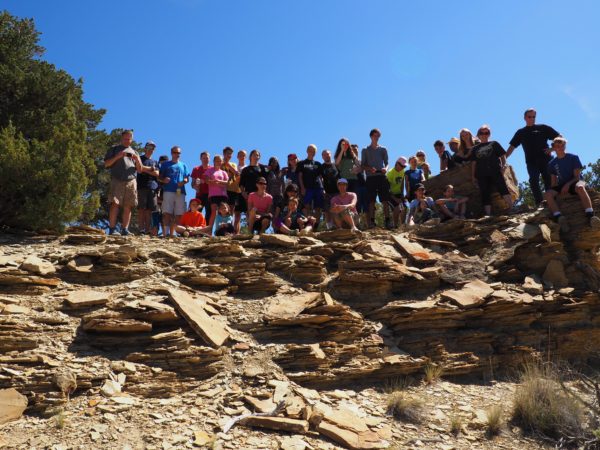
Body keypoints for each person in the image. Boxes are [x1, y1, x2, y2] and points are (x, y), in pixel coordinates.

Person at [507, 108, 561, 206]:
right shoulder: (521, 132)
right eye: (529, 117)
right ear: (524, 118)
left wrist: (552, 149)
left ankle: (552, 201)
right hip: (531, 161)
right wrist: (503, 159)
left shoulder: (543, 128)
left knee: (549, 179)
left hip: (546, 160)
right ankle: (539, 202)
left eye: (534, 117)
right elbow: (512, 147)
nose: (532, 118)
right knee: (533, 179)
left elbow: (560, 137)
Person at [545, 137, 600, 231]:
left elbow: (577, 177)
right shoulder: (552, 164)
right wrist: (553, 194)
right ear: (554, 147)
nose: (561, 148)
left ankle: (590, 215)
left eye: (563, 145)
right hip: (562, 184)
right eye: (558, 146)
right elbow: (553, 182)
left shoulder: (573, 157)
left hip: (576, 181)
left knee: (580, 187)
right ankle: (559, 217)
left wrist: (567, 185)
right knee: (548, 194)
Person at [103, 129, 143, 236]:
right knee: (115, 204)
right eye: (125, 138)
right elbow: (106, 164)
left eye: (129, 139)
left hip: (131, 180)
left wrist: (137, 160)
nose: (127, 141)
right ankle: (112, 229)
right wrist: (118, 156)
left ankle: (125, 229)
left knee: (128, 205)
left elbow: (140, 170)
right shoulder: (114, 149)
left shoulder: (135, 152)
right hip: (117, 179)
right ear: (121, 138)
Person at [470, 125, 514, 216]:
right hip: (481, 173)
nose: (484, 135)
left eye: (487, 133)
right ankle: (488, 214)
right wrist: (473, 176)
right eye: (482, 133)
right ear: (478, 134)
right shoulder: (474, 149)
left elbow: (503, 155)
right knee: (484, 192)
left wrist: (504, 164)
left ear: (489, 134)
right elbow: (473, 163)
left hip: (495, 170)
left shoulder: (494, 143)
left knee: (503, 188)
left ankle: (511, 208)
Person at [361, 128, 392, 228]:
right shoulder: (365, 150)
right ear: (371, 136)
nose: (377, 137)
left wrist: (385, 169)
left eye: (378, 136)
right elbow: (362, 165)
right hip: (370, 178)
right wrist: (370, 168)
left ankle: (387, 221)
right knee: (371, 201)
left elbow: (387, 163)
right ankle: (371, 222)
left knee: (385, 200)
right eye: (375, 135)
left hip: (382, 176)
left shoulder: (383, 149)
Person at [158, 146, 190, 237]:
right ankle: (166, 233)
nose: (177, 154)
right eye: (175, 152)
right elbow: (159, 176)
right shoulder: (165, 164)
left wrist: (184, 181)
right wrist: (163, 180)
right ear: (171, 153)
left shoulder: (183, 165)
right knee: (167, 212)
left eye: (179, 153)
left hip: (180, 191)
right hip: (168, 190)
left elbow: (187, 178)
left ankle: (176, 233)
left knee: (179, 213)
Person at [135, 141, 160, 235]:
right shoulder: (140, 158)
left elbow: (157, 174)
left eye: (153, 148)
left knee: (150, 210)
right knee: (141, 208)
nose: (151, 150)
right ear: (145, 148)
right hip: (141, 186)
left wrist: (145, 169)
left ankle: (147, 230)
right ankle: (141, 229)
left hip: (153, 187)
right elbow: (139, 169)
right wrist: (151, 169)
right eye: (149, 147)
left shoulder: (155, 162)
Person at [239, 149, 267, 219]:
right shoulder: (246, 169)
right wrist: (243, 192)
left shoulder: (262, 169)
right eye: (254, 155)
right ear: (250, 157)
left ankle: (260, 229)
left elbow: (266, 181)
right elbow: (241, 183)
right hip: (249, 194)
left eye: (257, 155)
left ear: (259, 157)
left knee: (260, 214)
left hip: (260, 194)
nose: (256, 156)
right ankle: (249, 229)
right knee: (249, 213)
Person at [205, 155, 229, 227]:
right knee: (214, 212)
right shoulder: (209, 170)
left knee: (223, 212)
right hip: (213, 195)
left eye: (220, 161)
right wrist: (214, 182)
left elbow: (227, 183)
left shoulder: (224, 172)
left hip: (223, 195)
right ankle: (210, 230)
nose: (218, 162)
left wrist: (219, 181)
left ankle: (221, 229)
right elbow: (206, 180)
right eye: (217, 160)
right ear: (214, 161)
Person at [222, 147, 242, 233]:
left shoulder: (233, 164)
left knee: (231, 210)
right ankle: (222, 230)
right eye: (227, 153)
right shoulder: (220, 163)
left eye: (230, 154)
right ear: (224, 154)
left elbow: (237, 174)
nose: (229, 155)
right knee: (222, 210)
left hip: (233, 189)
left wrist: (228, 165)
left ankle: (230, 230)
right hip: (223, 190)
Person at [321, 149, 339, 229]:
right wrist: (322, 189)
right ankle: (329, 227)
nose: (326, 156)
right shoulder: (321, 167)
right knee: (327, 210)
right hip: (326, 191)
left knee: (336, 209)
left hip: (336, 191)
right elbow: (319, 178)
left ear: (330, 154)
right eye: (324, 155)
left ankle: (337, 225)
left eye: (328, 154)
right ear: (322, 157)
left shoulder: (336, 165)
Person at [151, 155, 169, 237]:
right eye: (162, 162)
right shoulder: (157, 172)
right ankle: (154, 233)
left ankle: (165, 234)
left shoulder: (169, 173)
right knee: (155, 215)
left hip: (165, 199)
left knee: (164, 216)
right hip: (156, 198)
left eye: (165, 162)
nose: (164, 164)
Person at [386, 157, 407, 227]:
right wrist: (395, 199)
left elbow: (402, 184)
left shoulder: (403, 171)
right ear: (397, 164)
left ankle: (402, 226)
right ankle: (395, 226)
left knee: (404, 207)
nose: (403, 167)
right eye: (402, 166)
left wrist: (402, 196)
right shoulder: (390, 173)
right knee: (397, 208)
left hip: (399, 193)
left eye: (404, 166)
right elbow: (387, 190)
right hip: (390, 194)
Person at [191, 151, 211, 217]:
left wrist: (204, 181)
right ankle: (195, 227)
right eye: (204, 158)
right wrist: (195, 186)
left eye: (207, 158)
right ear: (200, 158)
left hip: (210, 194)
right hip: (199, 194)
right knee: (196, 212)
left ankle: (207, 227)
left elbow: (214, 181)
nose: (205, 159)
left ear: (209, 159)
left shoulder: (212, 169)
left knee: (209, 213)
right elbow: (192, 184)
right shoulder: (196, 169)